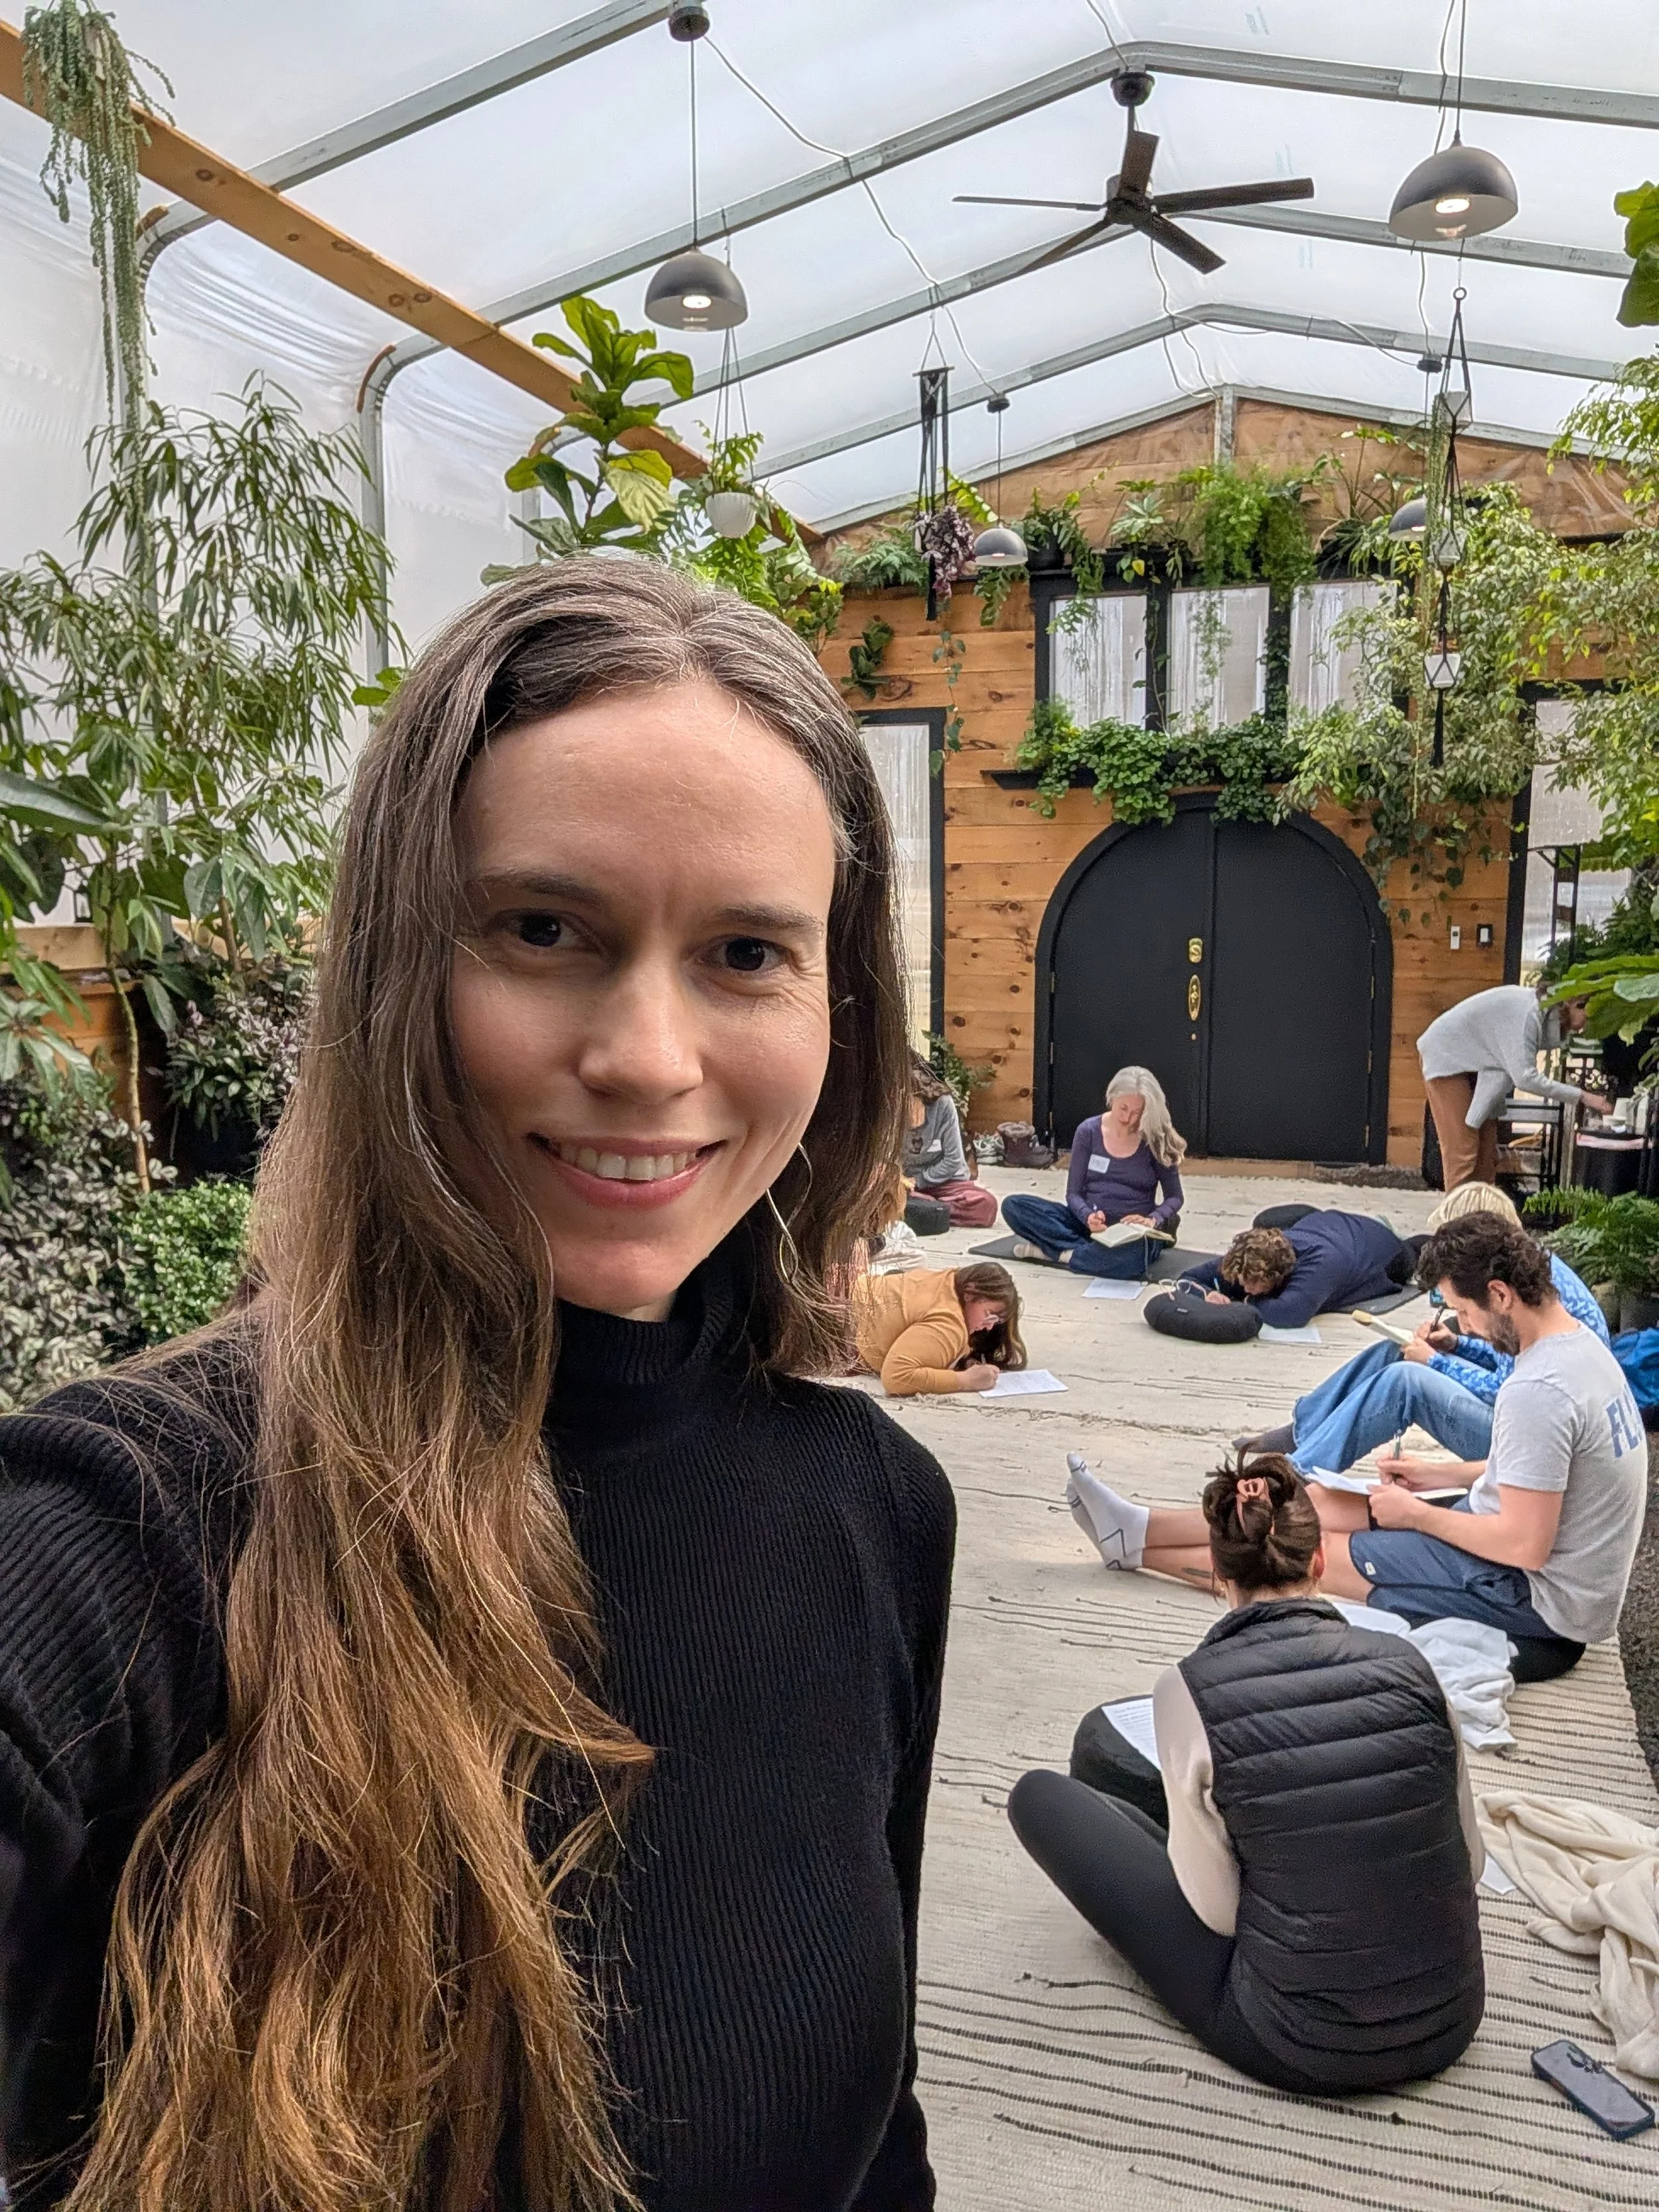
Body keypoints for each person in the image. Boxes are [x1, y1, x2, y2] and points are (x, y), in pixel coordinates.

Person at [0, 562, 956, 2210]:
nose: (651, 1056)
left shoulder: (871, 1511)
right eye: (542, 928)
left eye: (744, 951)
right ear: (392, 966)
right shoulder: (121, 1541)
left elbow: (879, 2148)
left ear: (837, 1004)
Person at [1009, 1457, 1483, 2095]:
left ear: (1218, 1576)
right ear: (1319, 1564)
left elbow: (1220, 1914)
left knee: (1041, 1798)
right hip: (1451, 2014)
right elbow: (1470, 1861)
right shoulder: (1411, 1663)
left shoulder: (1187, 1688)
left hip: (1298, 2041)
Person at [1070, 1211, 1647, 1682]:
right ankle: (1140, 1527)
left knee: (1302, 1552)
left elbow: (1527, 1545)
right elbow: (1551, 1474)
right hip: (1530, 1558)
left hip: (1538, 1605)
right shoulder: (1580, 1349)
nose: (1466, 1327)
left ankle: (1139, 1554)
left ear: (1499, 1294)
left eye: (1465, 1311)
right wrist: (1438, 1475)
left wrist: (1417, 1515)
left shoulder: (1538, 1388)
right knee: (1320, 1500)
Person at [1238, 1183, 1609, 1477]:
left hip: (1528, 1439)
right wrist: (1457, 1345)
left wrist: (1436, 1363)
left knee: (1406, 1380)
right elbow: (1509, 1364)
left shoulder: (1523, 1295)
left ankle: (1301, 1474)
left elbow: (1508, 1394)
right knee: (1394, 1350)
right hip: (1525, 1412)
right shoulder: (1531, 1272)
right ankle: (1302, 1431)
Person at [1002, 1066, 1186, 1279]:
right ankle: (1091, 1254)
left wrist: (1153, 1219)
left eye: (1137, 1112)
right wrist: (1088, 1216)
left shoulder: (1156, 1137)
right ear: (1112, 1098)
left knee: (1135, 1258)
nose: (1128, 1118)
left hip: (1133, 1233)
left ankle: (1059, 1254)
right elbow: (1073, 1194)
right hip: (1088, 1226)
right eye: (1123, 1108)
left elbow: (1175, 1197)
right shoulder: (1088, 1131)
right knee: (1014, 1206)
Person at [1418, 980, 1597, 1189]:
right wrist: (1583, 1096)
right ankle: (1455, 1218)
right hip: (1446, 1055)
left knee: (1486, 1158)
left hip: (1478, 1065)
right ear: (1576, 1002)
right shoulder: (1530, 1014)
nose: (1588, 1025)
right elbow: (1525, 1078)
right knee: (1463, 1153)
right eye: (1590, 1015)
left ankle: (1482, 1218)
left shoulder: (1543, 1015)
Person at [1179, 1208, 1413, 1331]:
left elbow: (1290, 1314)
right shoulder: (1248, 1258)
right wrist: (1207, 1294)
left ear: (1278, 1272)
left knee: (1417, 1256)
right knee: (1268, 1219)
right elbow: (1188, 1278)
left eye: (1254, 1282)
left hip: (1381, 1247)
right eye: (1243, 1281)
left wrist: (1246, 1302)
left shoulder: (1320, 1265)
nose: (1246, 1287)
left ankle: (1398, 1234)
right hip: (1325, 1224)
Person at [851, 1261, 1027, 1396]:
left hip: (848, 1289)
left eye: (995, 1321)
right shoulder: (950, 1323)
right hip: (837, 1328)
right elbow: (896, 1377)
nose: (988, 1326)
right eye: (989, 1314)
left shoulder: (948, 1278)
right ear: (970, 1291)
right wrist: (965, 1381)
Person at [902, 1052, 996, 1228]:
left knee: (986, 1205)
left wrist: (919, 1181)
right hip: (905, 1185)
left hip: (946, 1184)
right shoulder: (887, 1110)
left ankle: (929, 1209)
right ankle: (927, 1209)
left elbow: (953, 1161)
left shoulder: (943, 1104)